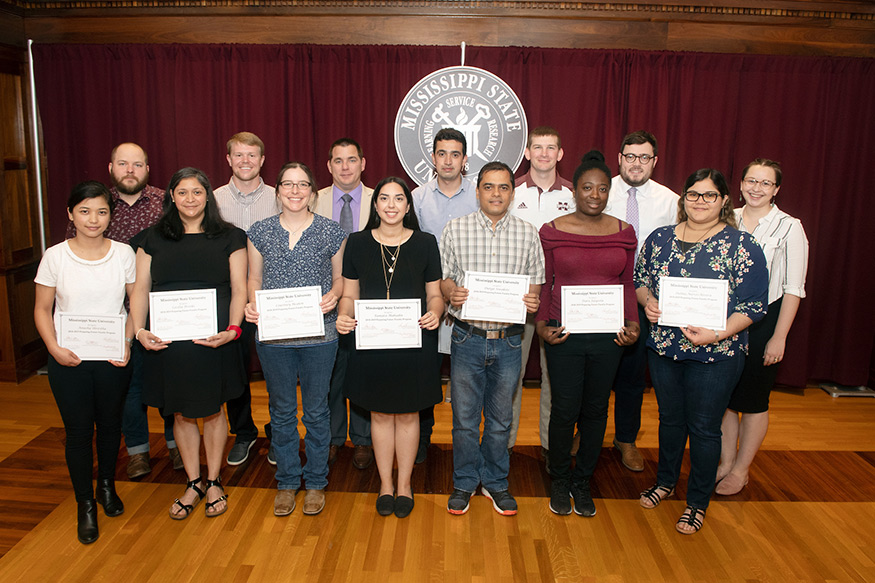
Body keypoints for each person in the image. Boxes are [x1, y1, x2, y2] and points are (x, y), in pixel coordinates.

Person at [634, 168, 768, 534]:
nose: (699, 202)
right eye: (693, 194)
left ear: (725, 200)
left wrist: (717, 332)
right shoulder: (660, 239)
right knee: (670, 420)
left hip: (717, 354)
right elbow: (641, 281)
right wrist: (648, 303)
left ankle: (697, 502)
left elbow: (755, 305)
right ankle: (665, 482)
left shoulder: (742, 245)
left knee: (705, 428)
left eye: (709, 195)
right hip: (664, 348)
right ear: (683, 198)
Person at [130, 167, 248, 520]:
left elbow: (240, 288)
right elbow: (140, 289)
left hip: (214, 340)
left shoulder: (231, 236)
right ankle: (194, 481)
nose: (190, 199)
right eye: (182, 192)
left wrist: (233, 329)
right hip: (168, 342)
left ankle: (214, 480)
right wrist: (138, 330)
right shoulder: (150, 238)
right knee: (180, 411)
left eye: (197, 192)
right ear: (171, 197)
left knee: (213, 410)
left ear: (208, 196)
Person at [536, 151, 640, 517]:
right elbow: (546, 283)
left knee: (596, 410)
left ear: (609, 191)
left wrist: (634, 325)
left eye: (602, 188)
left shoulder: (624, 233)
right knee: (564, 410)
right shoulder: (552, 230)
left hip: (609, 338)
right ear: (574, 190)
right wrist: (541, 327)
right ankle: (560, 480)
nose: (594, 195)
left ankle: (583, 481)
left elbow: (627, 284)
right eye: (587, 188)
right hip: (564, 334)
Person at [67, 142, 178, 480]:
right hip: (111, 317)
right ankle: (138, 451)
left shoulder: (166, 203)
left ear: (148, 168)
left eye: (138, 164)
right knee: (127, 387)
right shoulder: (95, 205)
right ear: (111, 167)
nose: (130, 170)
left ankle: (176, 444)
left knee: (169, 382)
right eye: (123, 164)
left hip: (163, 310)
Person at [440, 161, 545, 516]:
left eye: (503, 187)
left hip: (510, 341)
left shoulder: (529, 233)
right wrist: (452, 292)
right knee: (465, 421)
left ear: (512, 193)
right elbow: (445, 279)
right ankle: (465, 481)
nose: (496, 193)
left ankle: (497, 482)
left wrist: (533, 300)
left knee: (501, 421)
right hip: (467, 338)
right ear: (478, 190)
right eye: (489, 187)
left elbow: (535, 286)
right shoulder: (455, 229)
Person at [336, 176, 444, 518]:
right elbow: (350, 294)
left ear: (408, 206)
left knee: (410, 413)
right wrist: (342, 315)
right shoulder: (356, 243)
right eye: (385, 198)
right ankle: (385, 484)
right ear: (376, 205)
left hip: (414, 341)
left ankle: (405, 484)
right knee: (380, 414)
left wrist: (436, 313)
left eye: (399, 199)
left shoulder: (426, 243)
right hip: (371, 342)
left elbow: (435, 293)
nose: (392, 205)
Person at [35, 181, 136, 544]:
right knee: (79, 432)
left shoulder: (124, 253)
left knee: (110, 427)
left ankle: (106, 486)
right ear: (70, 214)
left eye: (102, 211)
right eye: (85, 211)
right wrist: (54, 348)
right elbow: (42, 309)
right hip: (68, 359)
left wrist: (127, 342)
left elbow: (133, 305)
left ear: (111, 215)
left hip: (112, 357)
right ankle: (85, 504)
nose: (93, 219)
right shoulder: (55, 256)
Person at [245, 162, 346, 517]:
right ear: (277, 191)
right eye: (287, 184)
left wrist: (334, 295)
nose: (294, 190)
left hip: (321, 335)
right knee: (282, 411)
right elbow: (254, 279)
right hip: (274, 337)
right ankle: (287, 481)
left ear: (312, 193)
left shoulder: (331, 231)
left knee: (317, 412)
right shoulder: (259, 231)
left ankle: (316, 480)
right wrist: (250, 303)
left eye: (302, 184)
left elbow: (340, 279)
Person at [716, 158, 809, 495]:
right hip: (723, 320)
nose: (756, 188)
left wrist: (779, 337)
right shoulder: (727, 219)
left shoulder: (789, 227)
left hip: (764, 324)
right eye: (751, 181)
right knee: (724, 398)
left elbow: (794, 288)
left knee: (754, 400)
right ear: (740, 185)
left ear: (776, 189)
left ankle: (742, 469)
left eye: (765, 183)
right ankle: (725, 461)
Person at [603, 130, 679, 472]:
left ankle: (626, 439)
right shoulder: (601, 193)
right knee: (595, 371)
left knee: (632, 376)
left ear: (655, 161)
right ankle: (586, 432)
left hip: (645, 300)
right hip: (602, 296)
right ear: (619, 158)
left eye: (644, 157)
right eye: (630, 156)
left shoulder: (671, 202)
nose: (636, 163)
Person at [508, 126, 575, 461]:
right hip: (517, 301)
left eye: (551, 148)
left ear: (560, 154)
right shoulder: (511, 191)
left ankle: (553, 448)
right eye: (538, 147)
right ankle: (502, 446)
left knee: (556, 379)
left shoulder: (576, 195)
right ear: (527, 153)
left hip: (559, 301)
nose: (544, 154)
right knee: (509, 378)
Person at [412, 127, 478, 464]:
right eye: (442, 153)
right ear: (433, 157)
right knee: (426, 370)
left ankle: (466, 447)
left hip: (469, 297)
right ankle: (423, 438)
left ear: (464, 160)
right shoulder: (417, 197)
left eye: (455, 154)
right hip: (428, 298)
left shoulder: (480, 195)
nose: (448, 160)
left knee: (466, 378)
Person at [213, 131, 278, 466]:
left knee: (277, 371)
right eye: (238, 155)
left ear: (262, 159)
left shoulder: (281, 197)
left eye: (252, 155)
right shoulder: (213, 200)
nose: (245, 161)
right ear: (228, 159)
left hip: (278, 298)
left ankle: (278, 431)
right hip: (231, 299)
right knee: (234, 370)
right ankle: (244, 432)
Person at [312, 138, 375, 470]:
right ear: (329, 166)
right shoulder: (312, 199)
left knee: (362, 370)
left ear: (363, 163)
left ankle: (362, 439)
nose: (346, 166)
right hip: (324, 300)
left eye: (352, 159)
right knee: (331, 373)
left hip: (370, 300)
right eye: (338, 160)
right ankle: (335, 438)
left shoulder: (381, 199)